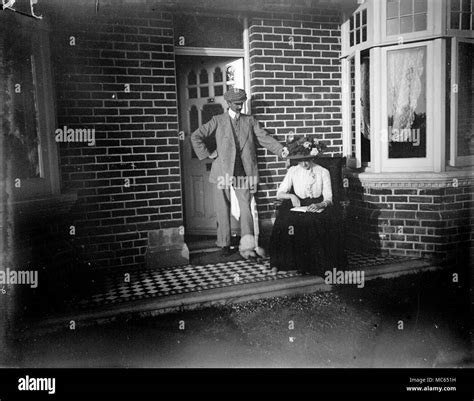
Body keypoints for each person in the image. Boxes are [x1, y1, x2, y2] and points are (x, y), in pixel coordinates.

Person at [191, 88, 288, 259]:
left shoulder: (250, 121)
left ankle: (248, 246)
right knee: (222, 209)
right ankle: (224, 244)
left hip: (244, 172)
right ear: (228, 103)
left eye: (242, 103)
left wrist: (281, 151)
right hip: (222, 172)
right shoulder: (218, 120)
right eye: (236, 103)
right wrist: (209, 154)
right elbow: (196, 136)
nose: (240, 106)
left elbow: (264, 138)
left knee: (246, 209)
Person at [269, 136, 346, 275]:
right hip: (299, 204)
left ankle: (311, 266)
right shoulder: (293, 171)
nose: (304, 164)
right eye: (300, 161)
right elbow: (279, 193)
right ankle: (280, 263)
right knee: (285, 221)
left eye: (307, 160)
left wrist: (320, 204)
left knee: (313, 222)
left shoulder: (323, 172)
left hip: (318, 205)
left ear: (312, 157)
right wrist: (291, 195)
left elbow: (329, 197)